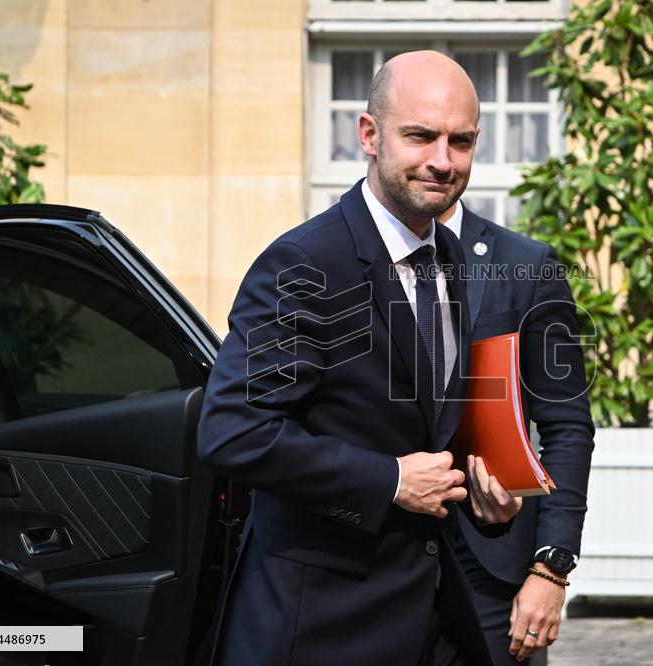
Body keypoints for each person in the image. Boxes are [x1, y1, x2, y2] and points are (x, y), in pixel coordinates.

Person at [197, 50, 522, 666]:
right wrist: (391, 481)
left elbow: (421, 421)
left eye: (462, 141)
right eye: (420, 136)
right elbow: (233, 432)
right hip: (322, 628)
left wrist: (477, 487)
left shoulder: (450, 255)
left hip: (432, 617)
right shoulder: (303, 265)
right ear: (369, 135)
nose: (442, 161)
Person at [437, 199, 595, 664]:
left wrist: (552, 569)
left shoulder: (526, 264)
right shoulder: (346, 261)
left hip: (491, 569)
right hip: (376, 562)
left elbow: (567, 425)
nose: (440, 159)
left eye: (458, 140)